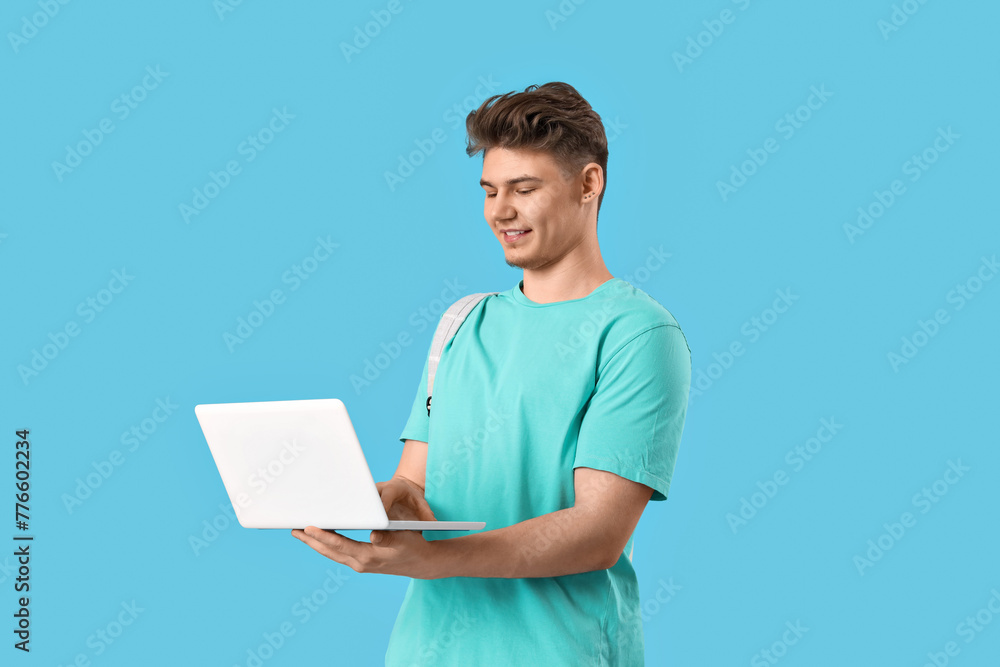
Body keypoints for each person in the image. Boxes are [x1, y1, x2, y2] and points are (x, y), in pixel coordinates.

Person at [292, 81, 692, 666]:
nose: (500, 211)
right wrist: (379, 504)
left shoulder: (637, 335)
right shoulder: (461, 322)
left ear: (589, 184)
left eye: (524, 189)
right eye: (489, 191)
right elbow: (416, 488)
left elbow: (598, 531)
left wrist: (435, 560)